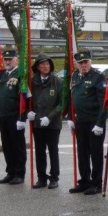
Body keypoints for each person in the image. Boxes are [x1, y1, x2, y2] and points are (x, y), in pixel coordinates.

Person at [68, 50, 108, 195]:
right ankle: (84, 181)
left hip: (93, 122)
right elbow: (72, 98)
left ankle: (97, 184)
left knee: (95, 154)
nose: (84, 65)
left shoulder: (98, 77)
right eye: (81, 63)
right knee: (82, 153)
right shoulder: (74, 76)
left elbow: (104, 103)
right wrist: (70, 117)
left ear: (90, 62)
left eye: (86, 62)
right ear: (77, 64)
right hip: (81, 121)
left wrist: (100, 124)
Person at [27, 54, 62, 189]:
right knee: (39, 151)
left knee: (53, 150)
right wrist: (27, 113)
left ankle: (54, 178)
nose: (45, 67)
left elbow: (61, 103)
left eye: (47, 64)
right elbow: (26, 100)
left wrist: (50, 117)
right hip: (37, 122)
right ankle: (41, 178)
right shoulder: (32, 82)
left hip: (52, 123)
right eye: (42, 64)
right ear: (37, 67)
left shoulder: (57, 82)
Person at [0, 49, 27, 185]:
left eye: (10, 59)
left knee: (17, 146)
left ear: (16, 59)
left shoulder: (20, 75)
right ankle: (10, 172)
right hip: (3, 116)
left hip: (15, 115)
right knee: (7, 146)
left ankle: (19, 173)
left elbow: (25, 98)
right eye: (5, 59)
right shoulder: (1, 75)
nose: (7, 61)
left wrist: (22, 118)